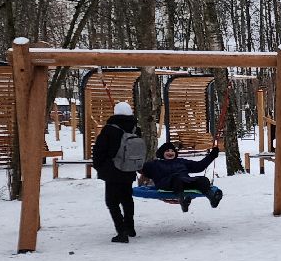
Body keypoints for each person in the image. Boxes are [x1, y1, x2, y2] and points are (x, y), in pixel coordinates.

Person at [92, 100, 140, 243]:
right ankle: (130, 227)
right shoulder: (135, 129)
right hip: (129, 169)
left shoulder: (109, 129)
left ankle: (121, 231)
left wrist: (99, 166)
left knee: (112, 201)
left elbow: (99, 150)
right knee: (127, 199)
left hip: (112, 171)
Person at [140, 139, 224, 213]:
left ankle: (212, 198)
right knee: (177, 178)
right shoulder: (155, 164)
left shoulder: (181, 161)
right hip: (166, 184)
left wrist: (212, 155)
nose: (170, 153)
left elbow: (199, 166)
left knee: (203, 180)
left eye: (172, 151)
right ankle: (182, 201)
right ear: (162, 153)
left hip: (184, 181)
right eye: (167, 151)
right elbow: (140, 168)